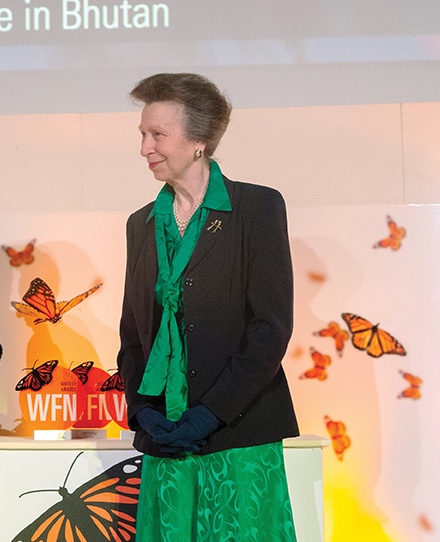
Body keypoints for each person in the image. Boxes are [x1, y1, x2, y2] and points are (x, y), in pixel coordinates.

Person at [116, 73, 299, 541]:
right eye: (143, 133)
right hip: (167, 442)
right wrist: (142, 411)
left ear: (198, 140)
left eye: (157, 134)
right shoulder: (141, 224)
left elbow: (270, 329)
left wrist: (210, 414)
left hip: (237, 437)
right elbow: (133, 335)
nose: (144, 147)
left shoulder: (257, 207)